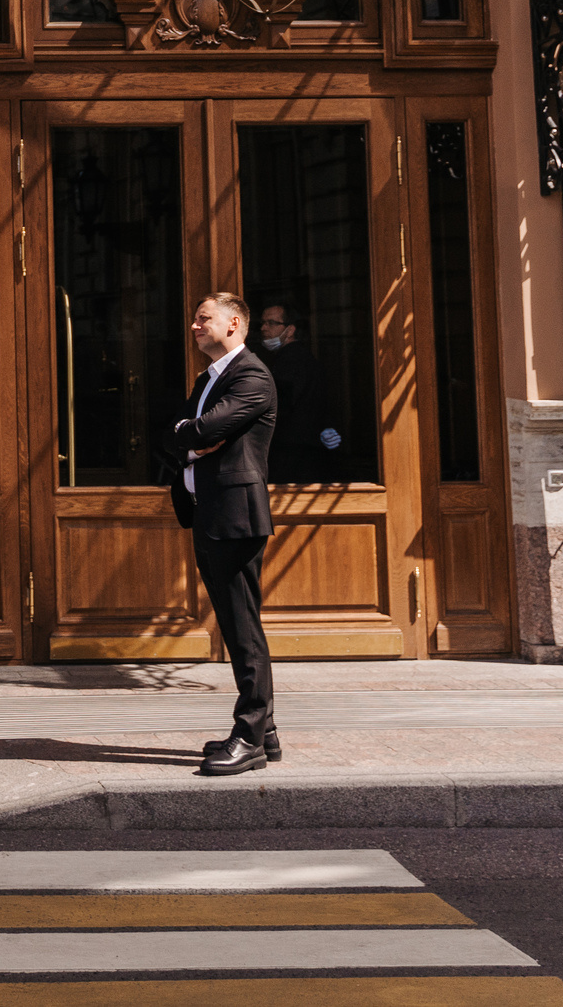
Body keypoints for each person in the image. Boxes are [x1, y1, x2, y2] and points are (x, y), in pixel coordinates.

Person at [166, 291, 280, 777]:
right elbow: (179, 435)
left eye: (203, 318)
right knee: (235, 625)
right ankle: (266, 733)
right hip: (210, 512)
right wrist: (192, 437)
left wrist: (192, 433)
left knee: (242, 626)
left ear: (234, 323)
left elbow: (205, 428)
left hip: (234, 517)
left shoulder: (251, 375)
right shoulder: (208, 378)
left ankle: (250, 736)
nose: (195, 326)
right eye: (194, 319)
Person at [256, 302, 344, 484]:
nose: (264, 328)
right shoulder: (294, 358)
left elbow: (281, 405)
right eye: (263, 323)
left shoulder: (292, 360)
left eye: (272, 323)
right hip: (303, 450)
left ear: (290, 330)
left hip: (293, 452)